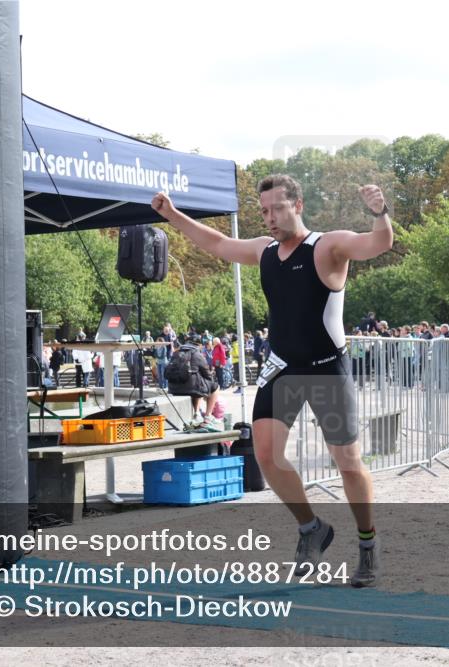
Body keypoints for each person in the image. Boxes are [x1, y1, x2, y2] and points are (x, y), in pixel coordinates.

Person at [151, 174, 392, 588]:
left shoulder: (328, 246)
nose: (269, 218)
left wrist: (379, 213)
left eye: (276, 209)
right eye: (263, 211)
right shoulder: (265, 252)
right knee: (265, 455)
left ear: (297, 205)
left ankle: (367, 544)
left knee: (349, 464)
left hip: (325, 368)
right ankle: (310, 527)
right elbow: (216, 243)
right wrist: (172, 215)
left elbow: (378, 243)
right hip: (282, 366)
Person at [166, 334, 222, 430]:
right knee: (214, 387)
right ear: (199, 345)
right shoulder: (196, 354)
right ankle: (208, 417)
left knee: (196, 384)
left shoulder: (176, 352)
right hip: (190, 388)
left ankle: (197, 414)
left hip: (173, 388)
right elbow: (207, 374)